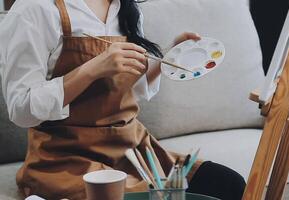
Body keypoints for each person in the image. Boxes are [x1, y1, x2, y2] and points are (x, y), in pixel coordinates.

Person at [0, 0, 246, 199]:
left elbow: (129, 88)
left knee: (228, 183)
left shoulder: (127, 8)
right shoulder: (35, 9)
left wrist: (167, 60)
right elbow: (21, 108)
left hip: (133, 150)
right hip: (67, 159)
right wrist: (93, 68)